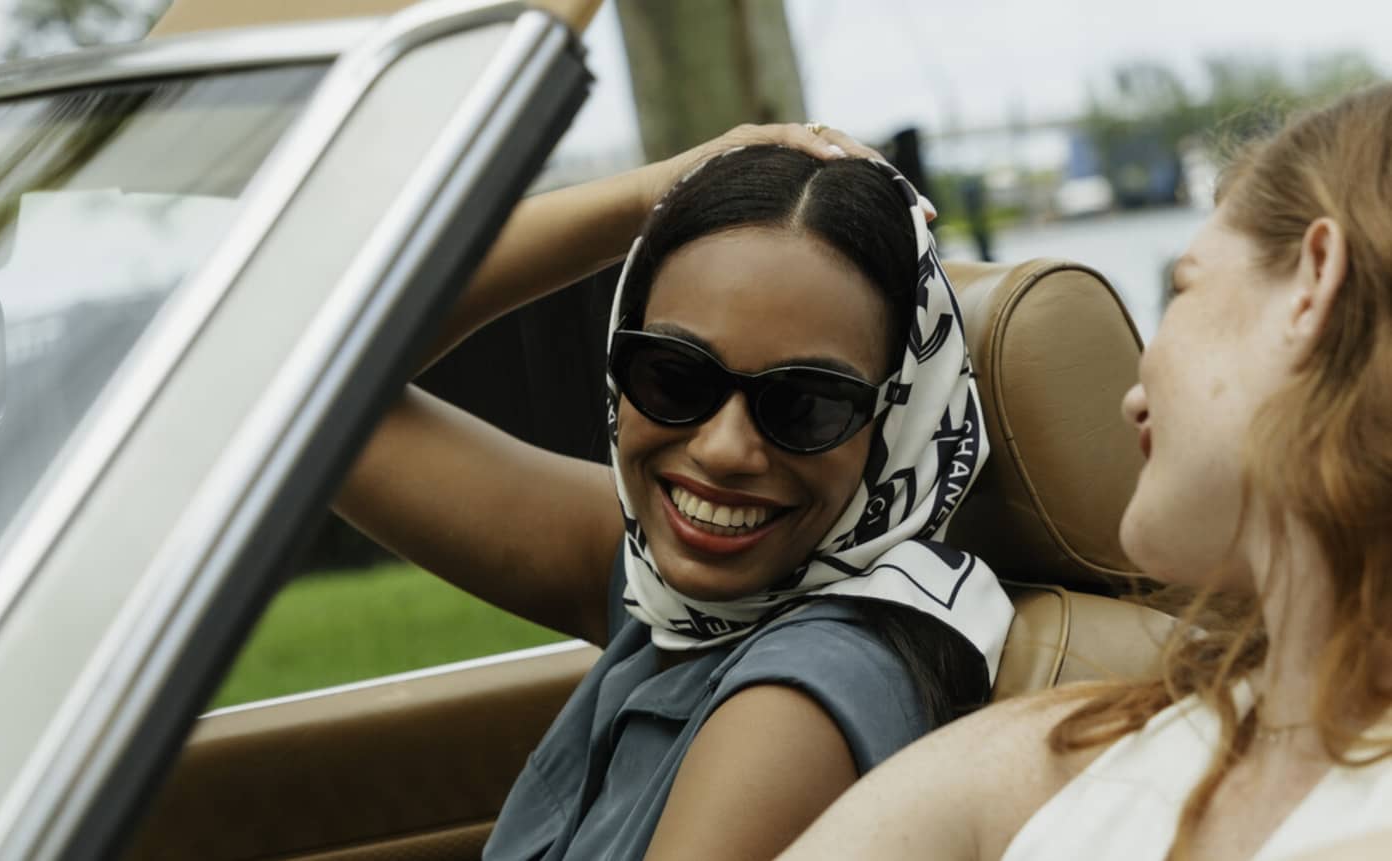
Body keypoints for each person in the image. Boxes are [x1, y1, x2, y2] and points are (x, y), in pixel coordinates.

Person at [333, 124, 1012, 859]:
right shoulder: (683, 588)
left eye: (806, 406)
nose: (723, 449)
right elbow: (296, 385)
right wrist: (652, 195)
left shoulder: (793, 705)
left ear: (897, 421)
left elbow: (304, 382)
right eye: (674, 376)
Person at [779, 84, 1392, 861]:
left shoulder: (1053, 757)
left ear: (1313, 283)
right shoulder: (1065, 743)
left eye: (1183, 289)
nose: (1133, 394)